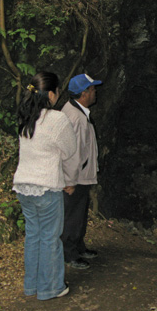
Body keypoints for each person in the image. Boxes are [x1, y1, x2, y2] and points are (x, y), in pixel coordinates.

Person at [13, 71, 77, 300]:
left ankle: (32, 286)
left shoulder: (26, 117)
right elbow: (70, 152)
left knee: (34, 236)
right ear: (51, 94)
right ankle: (51, 287)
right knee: (50, 237)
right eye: (57, 92)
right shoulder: (57, 119)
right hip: (46, 187)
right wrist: (70, 181)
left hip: (23, 186)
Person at [61, 73, 102, 269]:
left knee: (79, 215)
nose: (95, 92)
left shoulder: (78, 112)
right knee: (72, 216)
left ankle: (78, 246)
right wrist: (70, 180)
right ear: (84, 93)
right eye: (93, 89)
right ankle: (69, 254)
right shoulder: (75, 117)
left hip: (81, 175)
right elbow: (71, 152)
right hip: (75, 177)